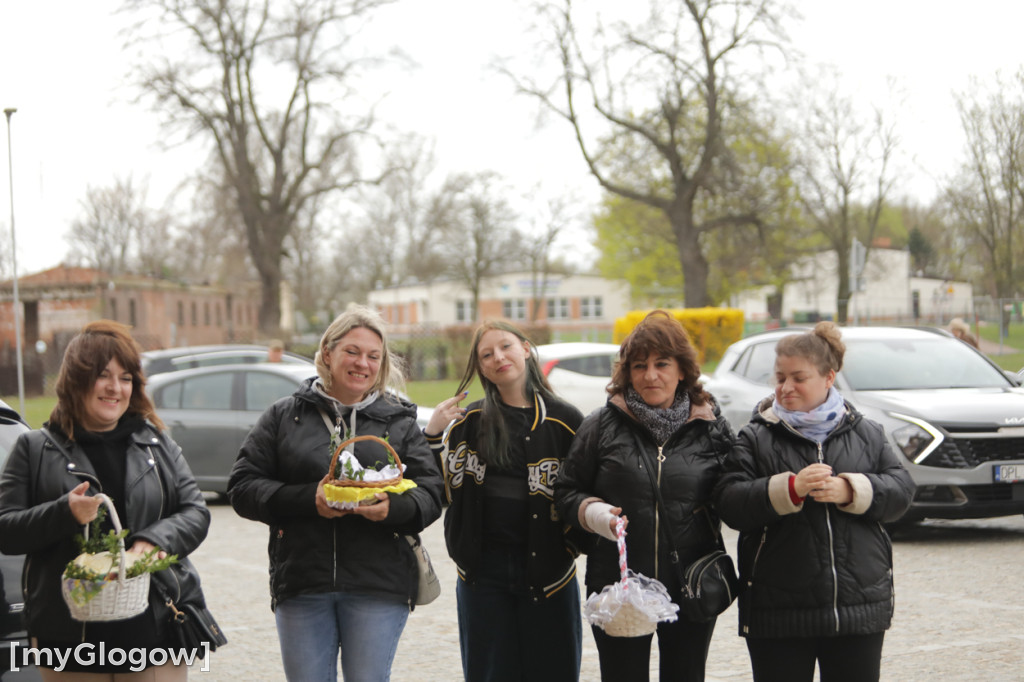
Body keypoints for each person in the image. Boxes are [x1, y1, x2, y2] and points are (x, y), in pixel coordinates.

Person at [228, 304, 443, 682]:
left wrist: (392, 508)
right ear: (328, 352)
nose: (363, 363)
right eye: (352, 351)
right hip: (302, 581)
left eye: (373, 356)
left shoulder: (399, 420)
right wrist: (307, 500)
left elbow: (430, 494)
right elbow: (243, 487)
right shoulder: (284, 416)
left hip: (378, 583)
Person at [0, 320, 211, 680]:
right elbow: (6, 530)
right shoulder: (34, 449)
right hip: (69, 635)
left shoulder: (157, 444)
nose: (115, 388)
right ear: (76, 379)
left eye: (126, 377)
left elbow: (195, 512)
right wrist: (64, 513)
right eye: (104, 375)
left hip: (155, 623)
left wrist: (151, 542)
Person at [713, 322, 915, 682]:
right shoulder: (755, 436)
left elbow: (901, 490)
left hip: (858, 608)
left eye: (798, 377)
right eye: (779, 377)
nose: (786, 387)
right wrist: (788, 488)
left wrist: (853, 490)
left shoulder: (867, 432)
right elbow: (729, 503)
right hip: (777, 612)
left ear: (828, 377)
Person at [555, 310, 735, 682]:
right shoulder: (600, 426)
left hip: (691, 581)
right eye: (639, 366)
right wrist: (594, 513)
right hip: (619, 585)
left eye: (662, 364)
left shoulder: (712, 429)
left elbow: (736, 495)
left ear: (682, 369)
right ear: (627, 372)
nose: (650, 375)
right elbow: (566, 491)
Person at [424, 320, 585, 682]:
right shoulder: (470, 422)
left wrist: (570, 547)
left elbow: (585, 492)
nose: (498, 357)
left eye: (505, 346)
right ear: (480, 367)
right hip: (483, 577)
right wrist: (433, 434)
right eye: (487, 354)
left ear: (526, 349)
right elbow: (440, 490)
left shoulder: (566, 421)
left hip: (549, 577)